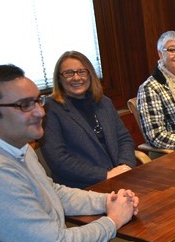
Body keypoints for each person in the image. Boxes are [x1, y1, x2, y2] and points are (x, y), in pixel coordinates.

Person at [0, 64, 142, 242]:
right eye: (24, 105)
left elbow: (54, 193)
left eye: (37, 100)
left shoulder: (18, 146)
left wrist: (108, 200)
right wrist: (112, 222)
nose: (41, 112)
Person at [40, 51, 136, 188]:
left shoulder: (104, 102)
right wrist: (105, 175)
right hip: (82, 188)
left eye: (81, 71)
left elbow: (124, 138)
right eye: (68, 73)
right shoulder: (51, 109)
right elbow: (59, 160)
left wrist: (125, 165)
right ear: (59, 78)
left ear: (90, 74)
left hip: (120, 176)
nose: (76, 77)